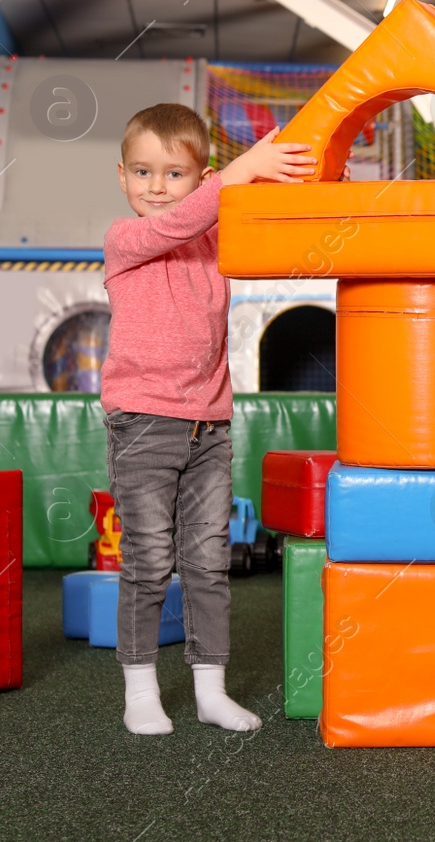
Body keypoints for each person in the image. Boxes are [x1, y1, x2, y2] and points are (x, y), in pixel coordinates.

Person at [102, 103, 314, 735]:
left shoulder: (216, 237)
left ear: (202, 177)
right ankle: (140, 691)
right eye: (142, 172)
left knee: (207, 558)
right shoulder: (125, 239)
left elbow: (267, 221)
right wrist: (238, 175)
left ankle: (210, 689)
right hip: (142, 422)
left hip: (209, 426)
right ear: (122, 176)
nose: (157, 188)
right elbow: (180, 223)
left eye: (174, 174)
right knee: (147, 557)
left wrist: (296, 169)